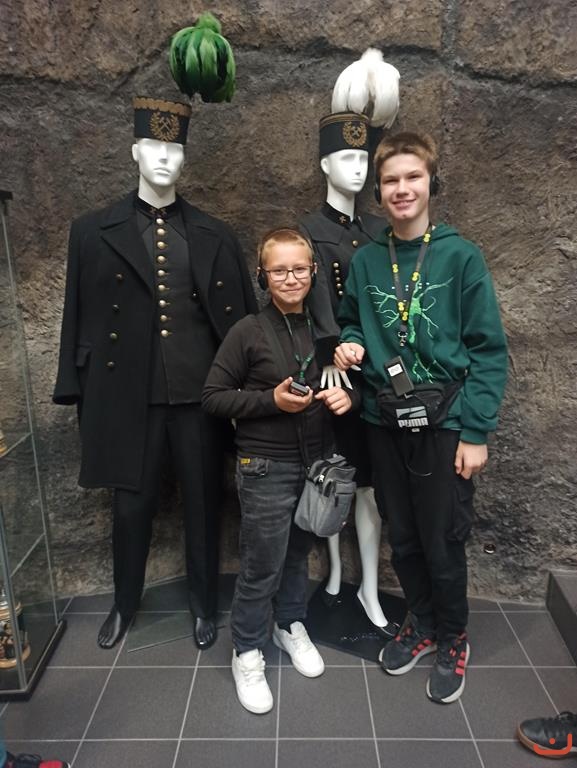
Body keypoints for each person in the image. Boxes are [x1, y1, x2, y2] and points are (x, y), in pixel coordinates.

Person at [53, 97, 257, 650]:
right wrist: (73, 386)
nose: (164, 158)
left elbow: (242, 321)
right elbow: (77, 314)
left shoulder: (214, 234)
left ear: (184, 158)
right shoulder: (92, 232)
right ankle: (124, 604)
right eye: (154, 147)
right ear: (134, 152)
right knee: (130, 506)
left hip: (200, 395)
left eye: (175, 149)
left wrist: (252, 387)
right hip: (128, 395)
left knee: (204, 503)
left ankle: (203, 605)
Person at [335, 131, 508, 704]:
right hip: (384, 420)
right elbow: (351, 319)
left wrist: (476, 431)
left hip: (446, 423)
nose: (402, 188)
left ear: (432, 182)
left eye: (413, 177)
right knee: (403, 536)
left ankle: (453, 636)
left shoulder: (461, 256)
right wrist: (352, 343)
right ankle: (423, 623)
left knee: (442, 538)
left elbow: (488, 349)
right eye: (391, 180)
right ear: (378, 191)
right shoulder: (366, 260)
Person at [202, 228, 356, 714]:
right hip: (264, 466)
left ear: (313, 272)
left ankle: (289, 624)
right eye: (279, 270)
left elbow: (353, 385)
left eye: (299, 269)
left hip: (316, 466)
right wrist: (270, 400)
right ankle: (247, 651)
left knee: (297, 557)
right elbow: (212, 398)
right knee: (261, 565)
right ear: (263, 276)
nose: (290, 278)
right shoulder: (247, 331)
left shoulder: (328, 330)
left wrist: (346, 399)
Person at [301, 109, 396, 638]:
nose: (358, 168)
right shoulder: (308, 231)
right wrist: (325, 358)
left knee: (371, 488)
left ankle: (369, 586)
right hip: (332, 376)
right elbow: (312, 303)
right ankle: (335, 573)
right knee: (332, 478)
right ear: (324, 164)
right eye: (346, 157)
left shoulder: (381, 231)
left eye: (364, 158)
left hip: (377, 378)